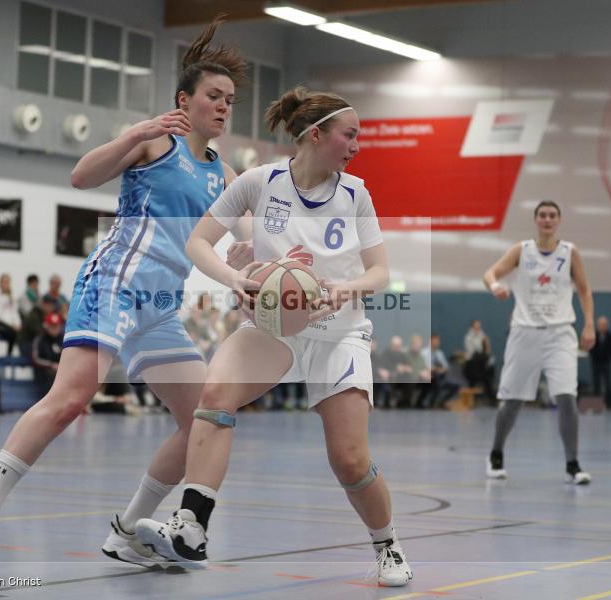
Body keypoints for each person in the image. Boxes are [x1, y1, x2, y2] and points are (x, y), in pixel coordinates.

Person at [0, 17, 251, 570]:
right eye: (214, 95)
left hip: (160, 308)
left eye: (230, 99)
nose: (224, 106)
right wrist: (133, 133)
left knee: (204, 417)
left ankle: (129, 529)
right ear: (185, 99)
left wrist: (260, 262)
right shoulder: (156, 141)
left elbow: (247, 239)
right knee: (69, 402)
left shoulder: (226, 176)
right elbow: (82, 178)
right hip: (114, 282)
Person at [135, 87, 413, 587]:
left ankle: (387, 544)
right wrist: (233, 279)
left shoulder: (356, 194)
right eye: (349, 135)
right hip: (274, 326)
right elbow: (199, 241)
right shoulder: (260, 183)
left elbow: (380, 274)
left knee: (349, 461)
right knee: (214, 396)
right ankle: (192, 524)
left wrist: (344, 287)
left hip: (338, 331)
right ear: (316, 134)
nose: (356, 145)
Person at [483, 200, 595, 485]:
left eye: (552, 215)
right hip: (525, 332)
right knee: (512, 401)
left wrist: (590, 325)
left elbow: (584, 290)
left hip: (560, 334)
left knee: (567, 398)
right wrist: (495, 286)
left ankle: (573, 463)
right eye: (543, 215)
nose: (547, 219)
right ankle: (496, 453)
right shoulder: (522, 250)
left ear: (558, 220)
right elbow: (490, 273)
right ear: (536, 220)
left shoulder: (570, 252)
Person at [31, 311, 64, 397]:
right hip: (44, 371)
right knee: (51, 376)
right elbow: (36, 359)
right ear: (46, 326)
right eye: (52, 326)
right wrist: (51, 365)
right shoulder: (40, 340)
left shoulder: (64, 339)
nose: (55, 329)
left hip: (61, 369)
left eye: (57, 326)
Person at [463, 319, 496, 401]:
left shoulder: (483, 335)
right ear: (472, 327)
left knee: (488, 374)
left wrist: (486, 345)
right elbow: (472, 352)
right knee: (482, 377)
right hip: (471, 365)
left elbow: (487, 352)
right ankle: (490, 398)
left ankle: (492, 399)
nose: (478, 327)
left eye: (479, 326)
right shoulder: (468, 337)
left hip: (481, 365)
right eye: (476, 326)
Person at [0, 273, 21, 356]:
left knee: (22, 332)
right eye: (4, 282)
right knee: (12, 333)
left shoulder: (12, 297)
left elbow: (15, 312)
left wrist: (18, 324)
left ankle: (16, 355)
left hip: (11, 325)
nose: (6, 284)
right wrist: (12, 325)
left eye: (8, 282)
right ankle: (8, 355)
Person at [589, 315, 611, 409]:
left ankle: (610, 405)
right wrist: (596, 356)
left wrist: (606, 357)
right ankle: (597, 405)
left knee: (608, 383)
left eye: (604, 324)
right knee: (596, 384)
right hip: (595, 363)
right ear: (597, 325)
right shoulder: (593, 336)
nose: (602, 326)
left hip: (606, 363)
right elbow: (591, 349)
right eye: (601, 324)